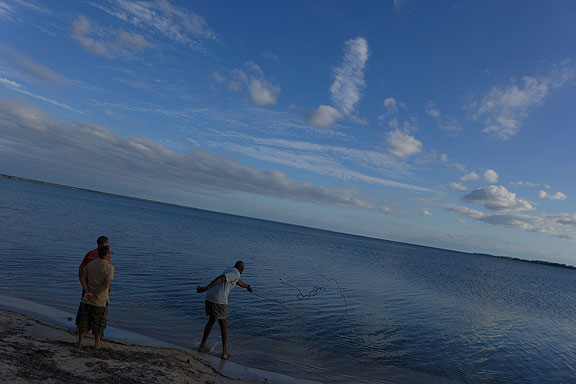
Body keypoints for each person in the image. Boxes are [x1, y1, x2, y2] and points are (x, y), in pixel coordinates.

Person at [196, 261, 252, 360]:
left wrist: (247, 286)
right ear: (242, 270)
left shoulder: (230, 269)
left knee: (212, 320)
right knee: (223, 325)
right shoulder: (236, 273)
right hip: (219, 298)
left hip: (210, 296)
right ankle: (224, 353)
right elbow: (222, 278)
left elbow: (237, 281)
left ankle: (202, 346)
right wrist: (206, 287)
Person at [78, 245, 114, 350]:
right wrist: (94, 293)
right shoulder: (109, 268)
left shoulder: (90, 265)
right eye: (111, 253)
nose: (111, 255)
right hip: (100, 300)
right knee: (99, 322)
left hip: (87, 298)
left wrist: (87, 291)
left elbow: (83, 278)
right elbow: (106, 285)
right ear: (106, 255)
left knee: (84, 321)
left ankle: (80, 342)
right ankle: (97, 343)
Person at [75, 236, 110, 328]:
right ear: (103, 244)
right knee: (97, 307)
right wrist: (108, 287)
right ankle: (91, 328)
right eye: (108, 243)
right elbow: (107, 273)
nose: (109, 245)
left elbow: (81, 267)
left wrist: (81, 280)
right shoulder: (105, 256)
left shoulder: (89, 253)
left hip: (87, 284)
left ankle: (80, 324)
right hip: (98, 286)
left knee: (84, 304)